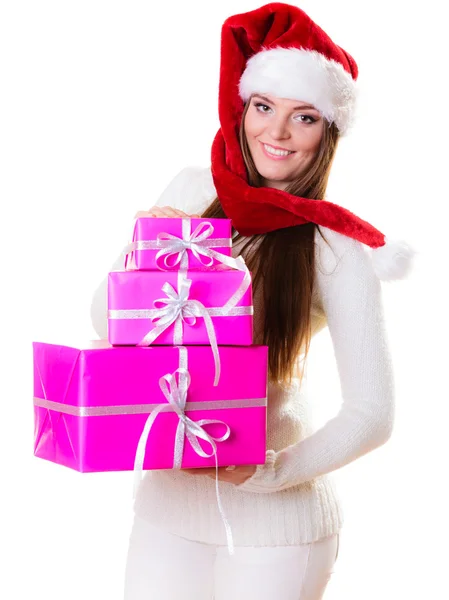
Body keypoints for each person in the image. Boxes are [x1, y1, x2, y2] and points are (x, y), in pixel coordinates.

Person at [90, 3, 414, 599]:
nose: (278, 133)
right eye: (264, 108)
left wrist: (271, 472)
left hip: (279, 531)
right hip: (167, 511)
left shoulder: (335, 248)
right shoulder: (192, 189)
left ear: (329, 130)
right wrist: (145, 256)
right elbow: (104, 328)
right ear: (243, 108)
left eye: (305, 117)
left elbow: (374, 412)